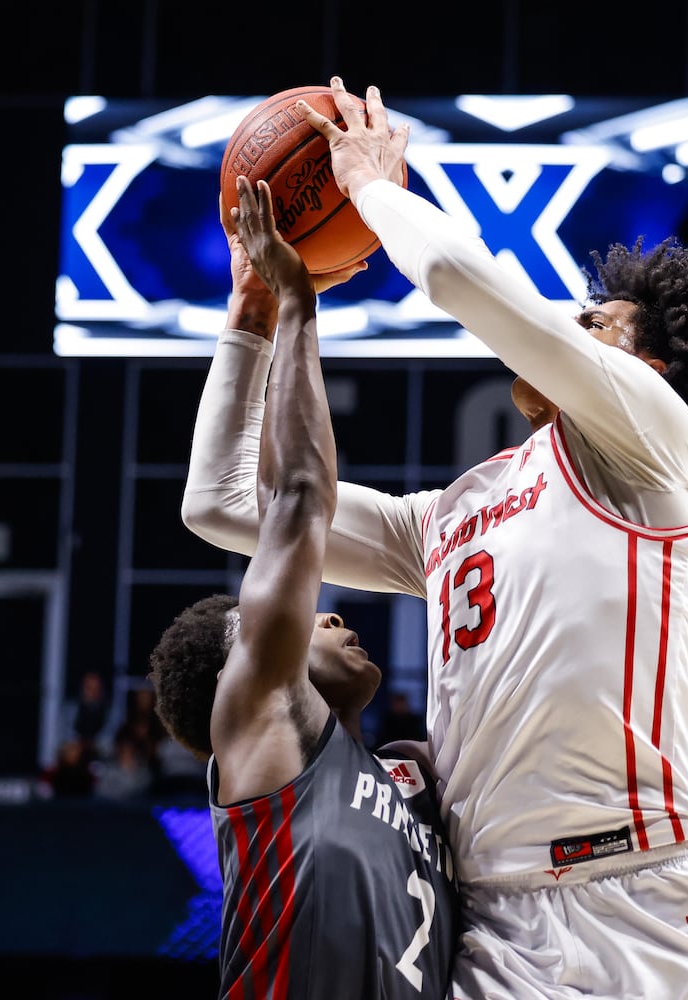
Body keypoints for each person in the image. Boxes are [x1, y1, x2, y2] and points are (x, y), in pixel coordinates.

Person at [182, 76, 688, 997]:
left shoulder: (660, 447)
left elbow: (460, 281)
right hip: (496, 924)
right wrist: (253, 316)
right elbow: (222, 505)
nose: (569, 325)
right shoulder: (457, 510)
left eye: (596, 323)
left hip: (652, 907)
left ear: (649, 372)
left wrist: (375, 186)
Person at [148, 175, 458, 999]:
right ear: (243, 668)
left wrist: (258, 301)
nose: (327, 611)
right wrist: (291, 305)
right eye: (299, 616)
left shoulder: (404, 777)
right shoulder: (260, 730)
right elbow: (295, 498)